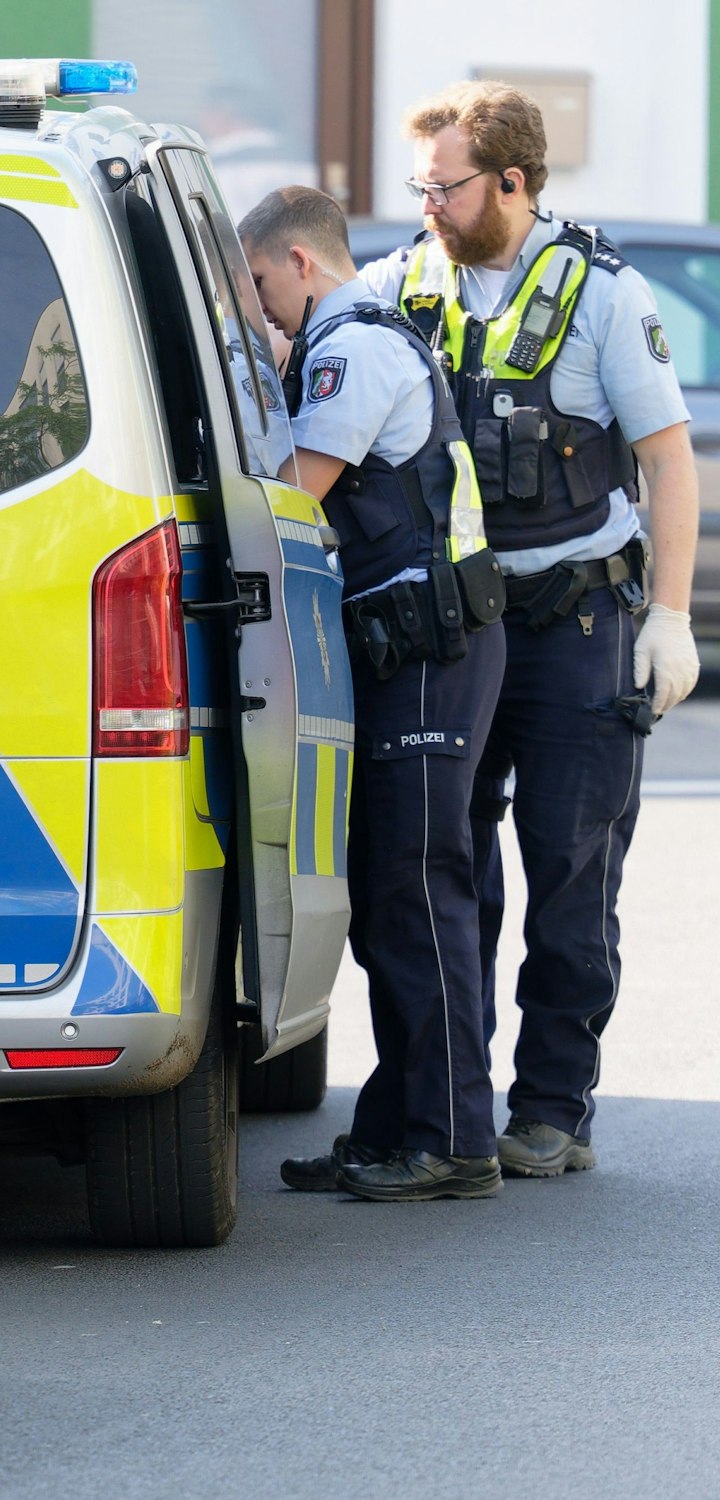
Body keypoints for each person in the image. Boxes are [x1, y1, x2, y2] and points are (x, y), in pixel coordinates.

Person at [359, 83, 700, 1177]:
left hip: (573, 621)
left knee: (567, 871)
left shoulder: (601, 295)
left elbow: (666, 459)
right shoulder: (397, 283)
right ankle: (446, 1102)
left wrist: (670, 620)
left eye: (445, 187)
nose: (427, 207)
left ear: (511, 180)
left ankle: (553, 1104)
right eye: (418, 186)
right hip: (450, 627)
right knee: (441, 865)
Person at [242, 186, 510, 1201]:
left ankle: (451, 1141)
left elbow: (289, 492)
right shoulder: (351, 335)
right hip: (408, 647)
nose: (263, 304)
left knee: (417, 888)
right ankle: (396, 1123)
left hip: (428, 649)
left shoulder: (347, 344)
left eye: (262, 282)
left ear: (298, 263)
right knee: (387, 895)